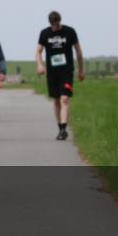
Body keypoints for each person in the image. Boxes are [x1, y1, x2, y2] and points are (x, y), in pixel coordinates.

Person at [36, 11, 84, 140]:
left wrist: (81, 70)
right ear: (50, 23)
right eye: (53, 25)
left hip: (67, 71)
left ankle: (63, 129)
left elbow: (78, 51)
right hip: (52, 72)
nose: (55, 27)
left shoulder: (70, 31)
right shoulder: (44, 33)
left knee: (64, 99)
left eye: (57, 24)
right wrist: (40, 65)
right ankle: (60, 128)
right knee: (56, 100)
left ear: (60, 21)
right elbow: (38, 51)